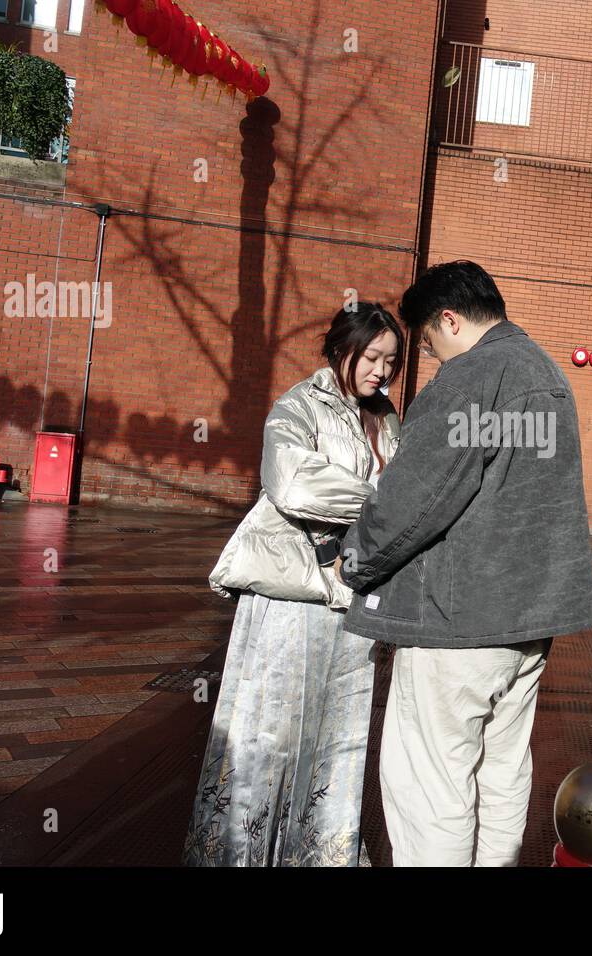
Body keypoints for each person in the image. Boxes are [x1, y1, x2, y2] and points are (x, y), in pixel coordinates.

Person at [339, 260, 592, 866]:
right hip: (528, 623)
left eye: (429, 344)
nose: (432, 359)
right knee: (501, 770)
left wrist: (352, 561)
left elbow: (414, 502)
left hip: (457, 622)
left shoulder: (469, 379)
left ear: (449, 319)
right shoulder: (548, 375)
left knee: (432, 782)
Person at [183, 302, 403, 867]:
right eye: (372, 356)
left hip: (354, 599)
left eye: (391, 361)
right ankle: (237, 855)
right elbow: (293, 482)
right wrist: (383, 506)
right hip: (292, 597)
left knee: (339, 735)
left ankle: (318, 855)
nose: (381, 370)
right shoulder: (300, 405)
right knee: (267, 732)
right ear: (340, 348)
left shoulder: (388, 417)